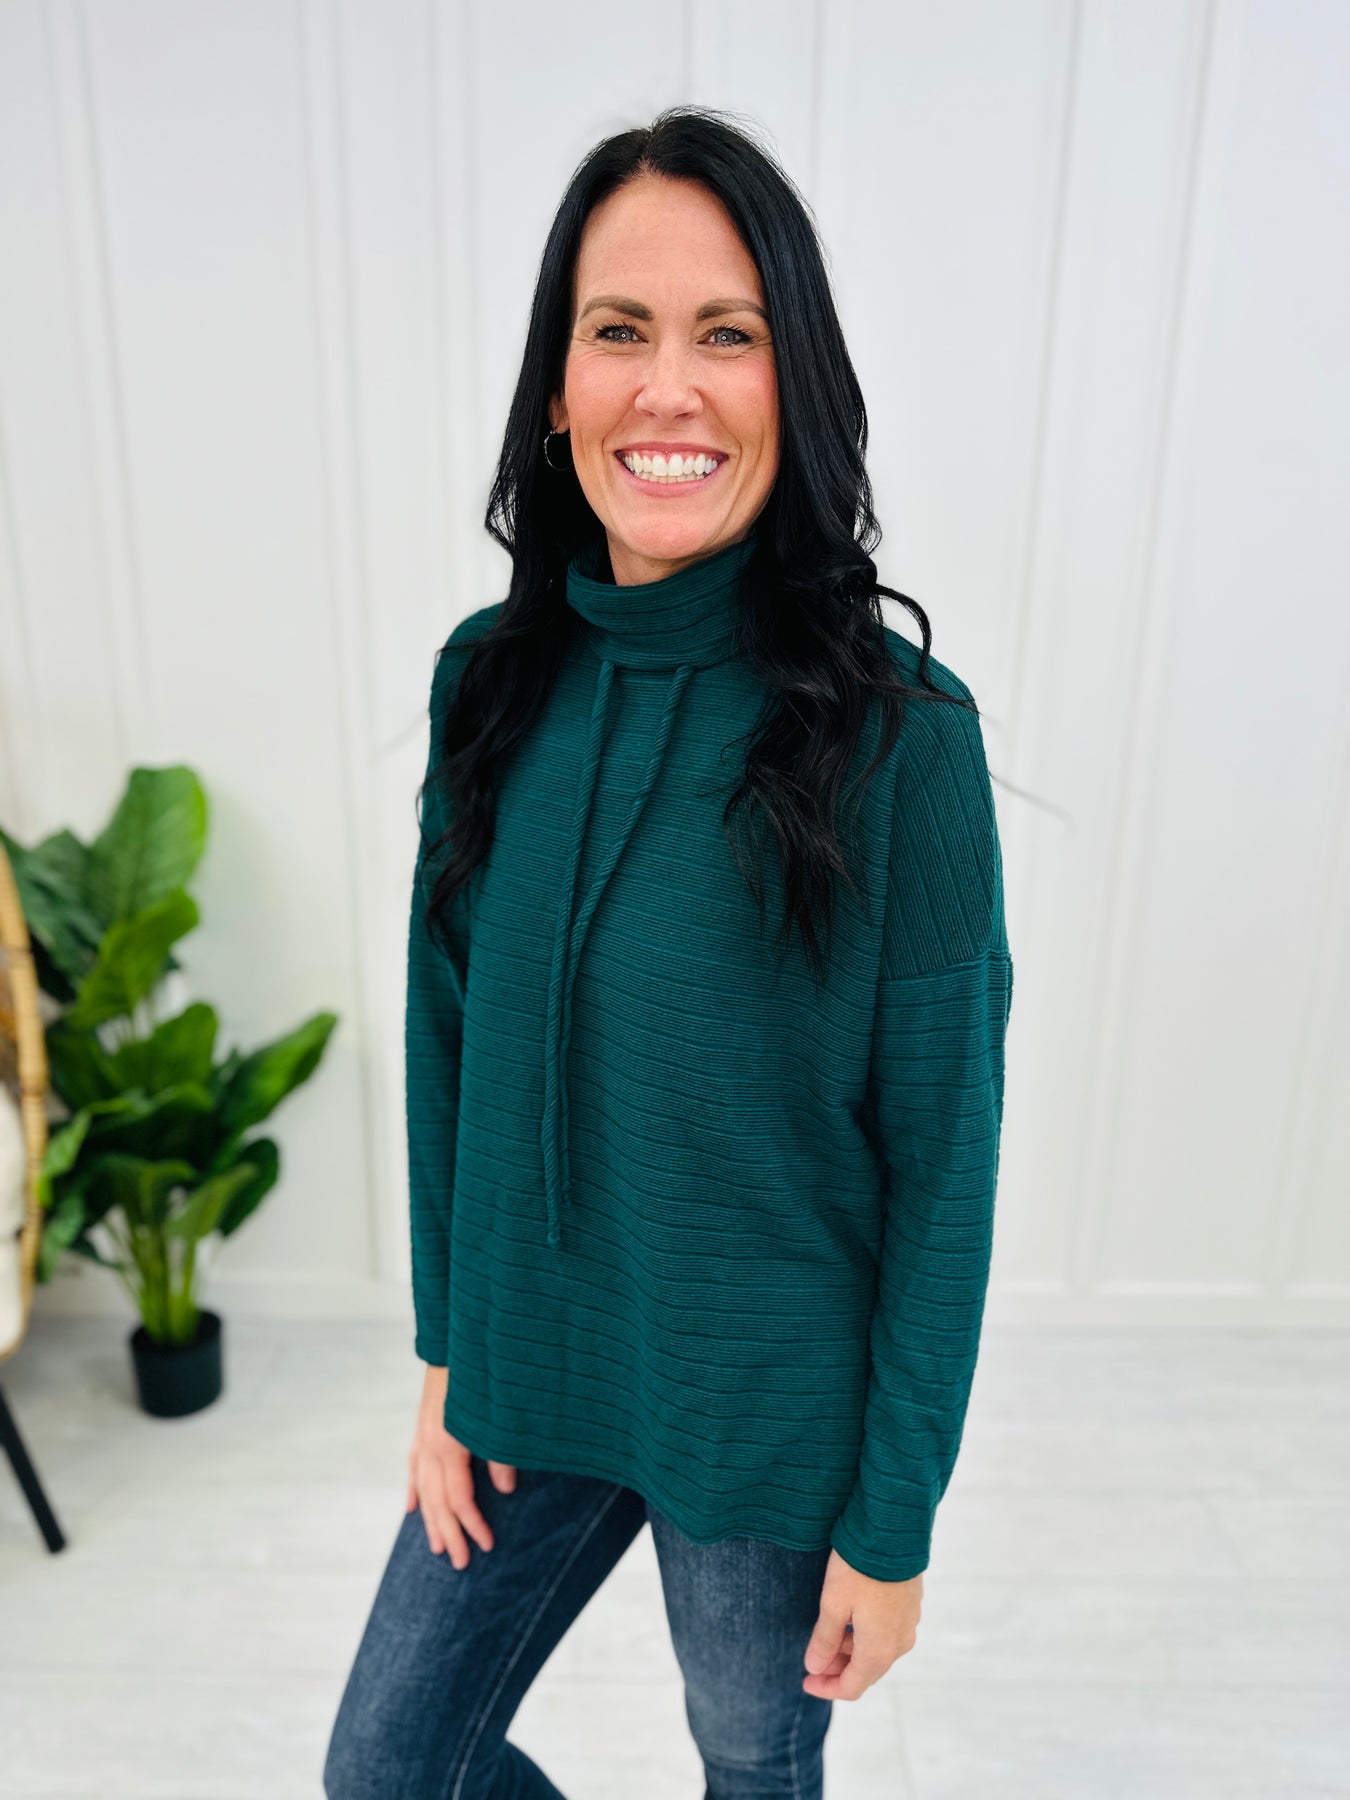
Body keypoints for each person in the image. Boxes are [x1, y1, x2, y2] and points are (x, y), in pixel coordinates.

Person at [324, 103, 1013, 1800]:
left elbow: (943, 1164)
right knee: (389, 1772)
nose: (667, 388)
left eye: (727, 334)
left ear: (797, 382)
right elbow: (445, 1036)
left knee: (747, 1770)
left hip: (762, 1419)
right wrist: (447, 1352)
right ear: (557, 388)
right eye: (618, 331)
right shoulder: (487, 682)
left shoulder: (902, 739)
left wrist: (893, 1522)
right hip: (528, 1364)